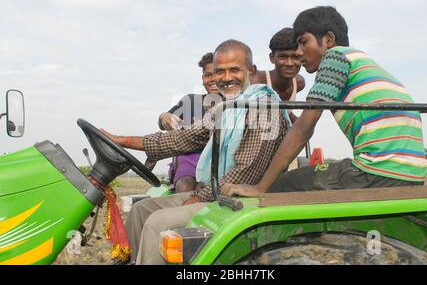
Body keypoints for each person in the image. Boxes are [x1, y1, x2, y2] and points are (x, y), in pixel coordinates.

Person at [102, 40, 290, 264]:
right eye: (219, 72)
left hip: (238, 199)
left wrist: (196, 199)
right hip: (217, 194)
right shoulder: (228, 108)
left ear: (251, 71)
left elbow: (244, 174)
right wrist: (121, 140)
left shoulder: (262, 107)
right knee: (140, 210)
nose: (226, 77)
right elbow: (182, 137)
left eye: (234, 70)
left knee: (157, 223)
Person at [223, 6, 427, 198]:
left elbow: (305, 127)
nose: (299, 52)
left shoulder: (335, 58)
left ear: (328, 40)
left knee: (280, 186)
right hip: (413, 172)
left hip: (377, 172)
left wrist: (260, 187)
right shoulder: (361, 60)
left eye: (304, 42)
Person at [158, 53, 220, 193]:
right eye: (208, 75)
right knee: (185, 185)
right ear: (203, 78)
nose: (212, 80)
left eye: (217, 74)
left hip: (221, 159)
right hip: (190, 159)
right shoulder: (190, 101)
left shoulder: (234, 104)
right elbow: (163, 121)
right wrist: (164, 117)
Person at [252, 27, 305, 123]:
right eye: (283, 57)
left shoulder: (299, 83)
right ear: (272, 58)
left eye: (296, 57)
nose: (289, 63)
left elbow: (283, 112)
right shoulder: (257, 81)